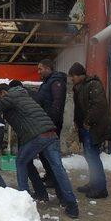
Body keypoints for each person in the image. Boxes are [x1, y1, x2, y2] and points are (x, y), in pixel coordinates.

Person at [0, 82, 79, 218]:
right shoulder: (25, 95)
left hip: (36, 136)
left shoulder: (10, 96)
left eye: (0, 95)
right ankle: (71, 204)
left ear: (3, 93)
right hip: (51, 133)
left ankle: (24, 198)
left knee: (21, 162)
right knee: (58, 168)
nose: (1, 98)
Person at [68, 62, 111, 199]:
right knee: (90, 157)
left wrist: (87, 122)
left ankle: (101, 188)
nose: (72, 79)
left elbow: (99, 106)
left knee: (93, 157)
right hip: (85, 128)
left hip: (94, 127)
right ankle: (94, 183)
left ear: (79, 75)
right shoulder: (80, 86)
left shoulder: (93, 84)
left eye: (73, 76)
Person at [28, 59, 68, 197]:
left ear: (48, 68)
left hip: (51, 125)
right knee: (44, 154)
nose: (38, 72)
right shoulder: (47, 82)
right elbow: (42, 99)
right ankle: (51, 177)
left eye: (40, 69)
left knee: (53, 158)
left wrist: (50, 123)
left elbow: (57, 104)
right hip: (45, 124)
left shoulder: (57, 82)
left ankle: (62, 191)